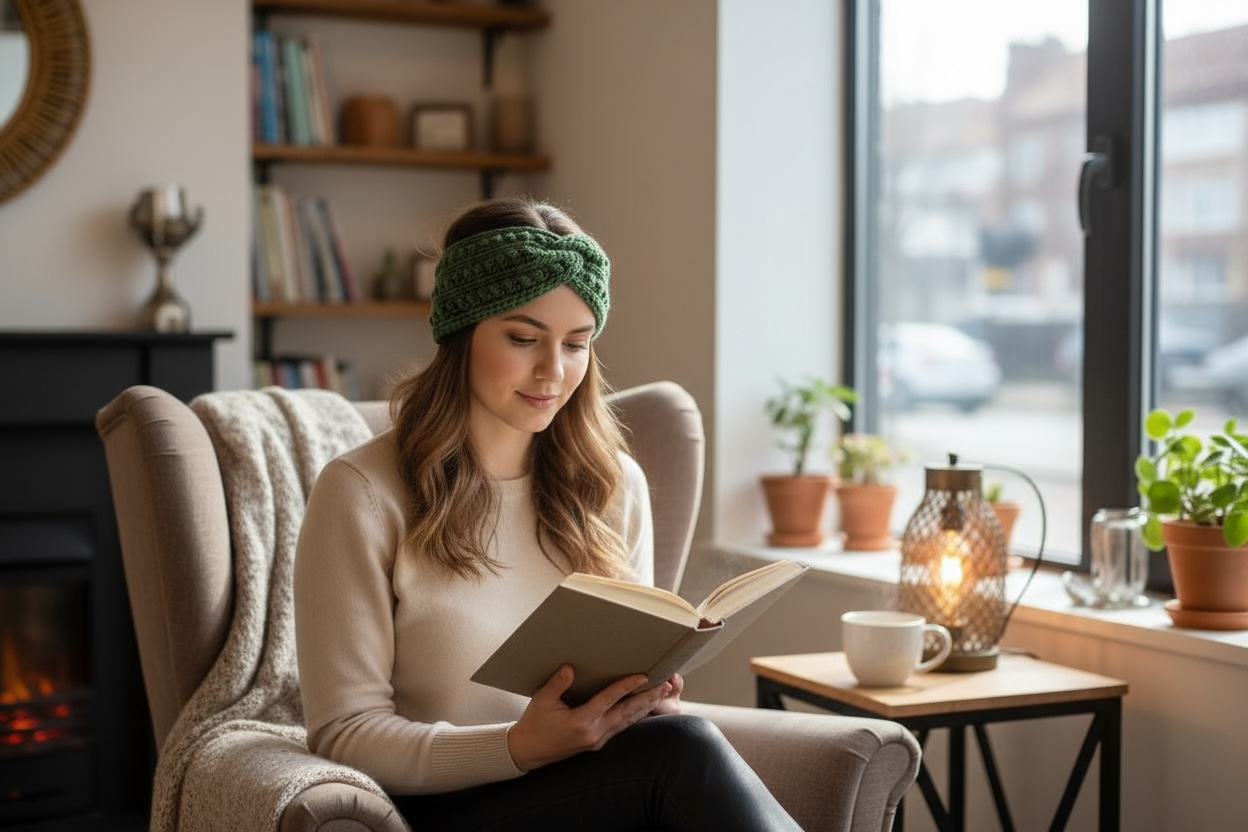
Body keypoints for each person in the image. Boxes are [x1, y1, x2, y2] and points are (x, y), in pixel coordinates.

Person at [293, 196, 800, 830]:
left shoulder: (613, 487)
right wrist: (516, 747)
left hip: (586, 791)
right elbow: (343, 732)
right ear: (461, 334)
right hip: (443, 806)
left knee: (679, 740)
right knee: (685, 756)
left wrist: (636, 706)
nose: (552, 372)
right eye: (523, 338)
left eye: (576, 344)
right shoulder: (362, 494)